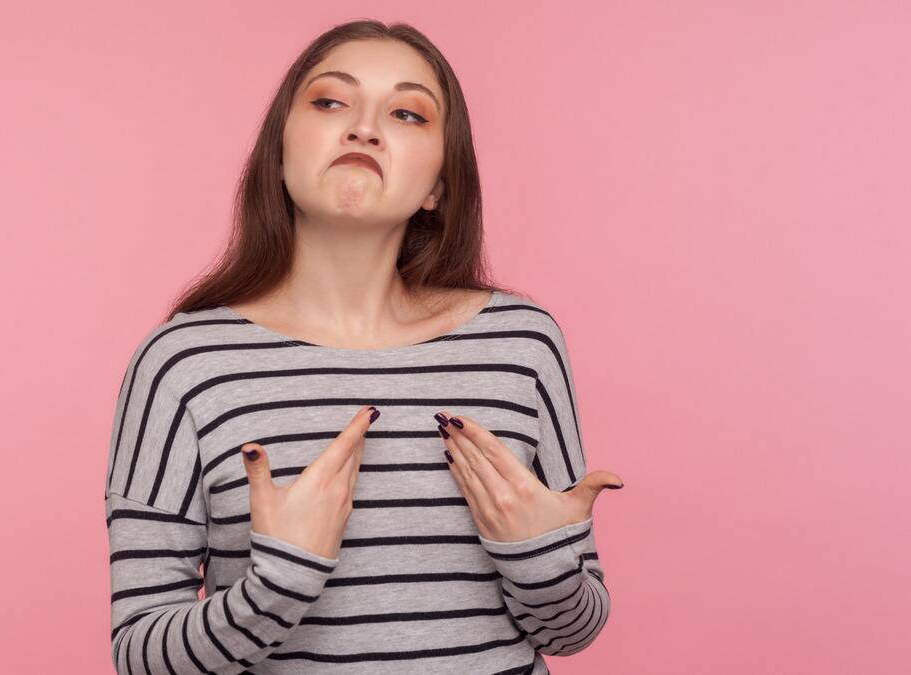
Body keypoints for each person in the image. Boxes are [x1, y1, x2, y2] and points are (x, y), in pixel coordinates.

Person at [104, 19, 623, 674]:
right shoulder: (181, 363)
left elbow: (572, 630)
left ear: (439, 184)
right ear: (280, 151)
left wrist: (541, 556)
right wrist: (279, 583)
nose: (364, 128)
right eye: (329, 102)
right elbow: (140, 657)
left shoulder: (521, 344)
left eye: (407, 113)